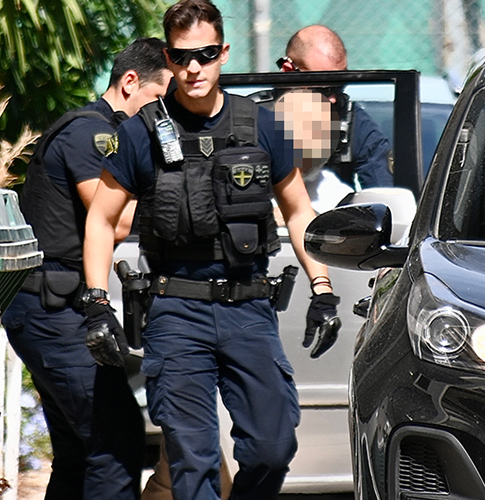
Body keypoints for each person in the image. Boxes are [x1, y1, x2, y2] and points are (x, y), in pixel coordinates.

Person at [82, 1, 342, 498]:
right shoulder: (141, 131)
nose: (194, 68)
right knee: (193, 460)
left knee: (272, 448)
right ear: (168, 57)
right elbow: (101, 218)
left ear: (223, 52)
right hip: (176, 311)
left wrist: (323, 288)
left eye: (204, 54)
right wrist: (95, 302)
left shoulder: (262, 125)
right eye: (181, 57)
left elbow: (298, 211)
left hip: (249, 307)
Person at [1, 38, 171, 500]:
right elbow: (112, 219)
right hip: (54, 310)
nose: (163, 112)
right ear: (130, 81)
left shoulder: (102, 130)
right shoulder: (93, 134)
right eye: (159, 98)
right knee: (114, 440)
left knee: (79, 453)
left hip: (50, 305)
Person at [280, 24, 394, 190]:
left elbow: (383, 197)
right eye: (322, 89)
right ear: (288, 71)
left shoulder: (356, 127)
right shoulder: (251, 121)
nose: (333, 99)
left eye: (340, 86)